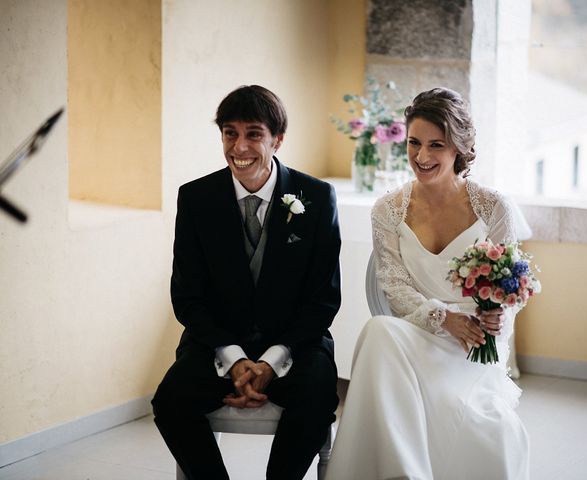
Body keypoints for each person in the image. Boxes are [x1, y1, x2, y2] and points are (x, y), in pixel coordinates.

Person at [326, 87, 530, 480]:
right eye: (414, 143)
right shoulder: (388, 210)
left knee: (488, 427)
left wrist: (498, 317)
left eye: (436, 145)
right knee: (378, 329)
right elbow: (395, 287)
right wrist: (442, 318)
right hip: (421, 332)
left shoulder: (493, 207)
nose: (421, 157)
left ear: (459, 147)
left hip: (473, 347)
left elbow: (510, 282)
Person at [152, 85, 341, 480]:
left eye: (254, 133)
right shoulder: (196, 198)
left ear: (278, 139)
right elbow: (187, 296)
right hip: (217, 343)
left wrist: (272, 361)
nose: (240, 147)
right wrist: (235, 357)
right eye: (230, 133)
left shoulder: (317, 197)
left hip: (295, 344)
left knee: (317, 395)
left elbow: (323, 299)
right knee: (170, 401)